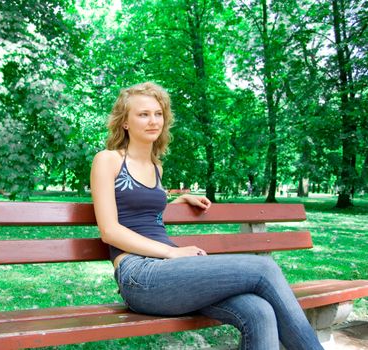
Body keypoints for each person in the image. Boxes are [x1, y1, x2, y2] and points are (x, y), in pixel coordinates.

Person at [90, 82, 323, 350]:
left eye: (158, 113)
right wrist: (171, 253)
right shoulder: (108, 160)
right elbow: (110, 230)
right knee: (264, 268)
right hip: (140, 275)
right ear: (125, 122)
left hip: (171, 273)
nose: (153, 120)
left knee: (259, 311)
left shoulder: (156, 167)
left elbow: (143, 214)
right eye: (143, 114)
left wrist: (178, 201)